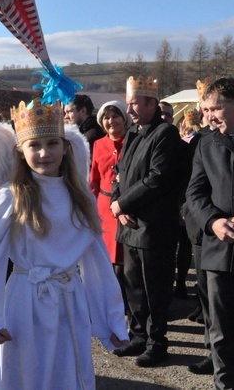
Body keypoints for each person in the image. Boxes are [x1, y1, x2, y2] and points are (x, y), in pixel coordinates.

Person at [0, 98, 127, 389]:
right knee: (27, 374)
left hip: (69, 300)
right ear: (20, 152)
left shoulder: (80, 198)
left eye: (52, 144)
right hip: (25, 302)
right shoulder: (10, 197)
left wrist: (111, 318)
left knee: (68, 373)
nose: (44, 153)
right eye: (34, 145)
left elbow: (97, 260)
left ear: (66, 147)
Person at [187, 77, 234, 389]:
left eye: (213, 108)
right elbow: (195, 194)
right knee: (220, 332)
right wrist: (214, 223)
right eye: (204, 110)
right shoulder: (207, 142)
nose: (207, 116)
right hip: (220, 251)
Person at [111, 75, 182, 367]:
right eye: (128, 104)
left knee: (155, 289)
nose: (129, 111)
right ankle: (138, 336)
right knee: (134, 288)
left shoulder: (165, 134)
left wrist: (122, 203)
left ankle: (157, 342)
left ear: (152, 104)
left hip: (153, 229)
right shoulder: (133, 135)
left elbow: (158, 179)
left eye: (134, 104)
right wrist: (119, 204)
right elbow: (120, 174)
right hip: (129, 226)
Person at [90, 100, 132, 314]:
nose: (111, 121)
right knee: (108, 261)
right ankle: (110, 304)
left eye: (115, 116)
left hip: (127, 204)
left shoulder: (134, 141)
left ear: (124, 118)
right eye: (106, 117)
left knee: (126, 262)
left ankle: (127, 306)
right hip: (104, 207)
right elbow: (94, 179)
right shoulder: (98, 144)